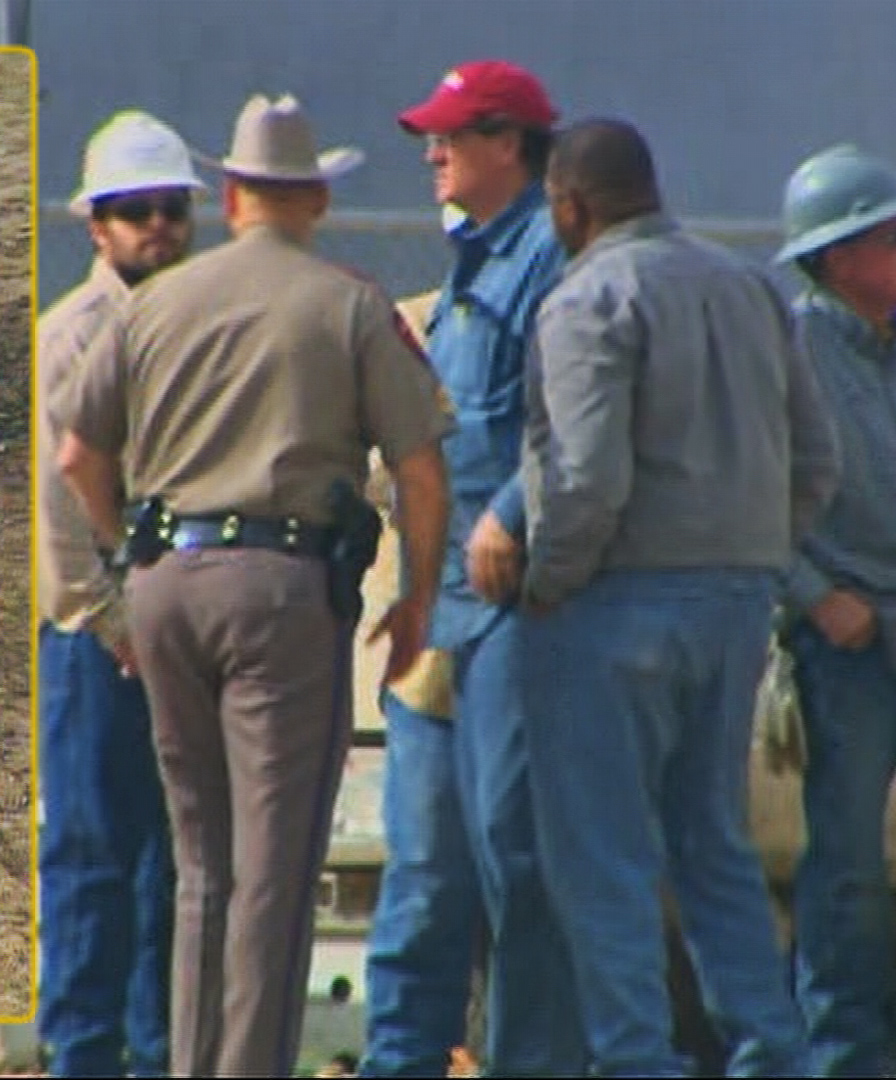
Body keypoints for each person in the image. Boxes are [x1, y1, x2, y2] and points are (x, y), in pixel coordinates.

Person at [54, 92, 453, 1078]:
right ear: (313, 197)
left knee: (198, 870)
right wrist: (418, 603)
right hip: (280, 593)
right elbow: (419, 471)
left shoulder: (151, 303)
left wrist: (130, 550)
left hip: (166, 586)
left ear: (230, 196)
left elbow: (75, 452)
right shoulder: (348, 303)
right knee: (272, 874)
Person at [517, 117, 839, 1077]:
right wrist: (754, 555)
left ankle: (639, 1063)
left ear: (569, 206)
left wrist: (546, 584)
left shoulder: (586, 301)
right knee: (718, 854)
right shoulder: (750, 288)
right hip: (736, 604)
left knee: (606, 864)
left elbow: (583, 481)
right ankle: (772, 1056)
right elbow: (816, 461)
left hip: (614, 604)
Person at [361, 60, 586, 1078]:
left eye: (452, 134)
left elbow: (576, 416)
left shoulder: (554, 256)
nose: (431, 152)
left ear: (511, 144)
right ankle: (400, 1061)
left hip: (515, 608)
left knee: (518, 862)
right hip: (441, 606)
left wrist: (508, 514)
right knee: (422, 869)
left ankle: (529, 1060)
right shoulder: (469, 263)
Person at [36, 108, 206, 1079]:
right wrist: (110, 619)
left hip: (182, 633)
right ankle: (85, 1056)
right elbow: (61, 508)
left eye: (171, 210)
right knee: (96, 860)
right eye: (135, 212)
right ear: (95, 226)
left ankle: (159, 1054)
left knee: (172, 868)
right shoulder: (71, 337)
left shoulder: (196, 327)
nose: (158, 228)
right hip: (100, 646)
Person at [772, 142, 896, 1078]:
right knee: (847, 871)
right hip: (848, 643)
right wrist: (817, 601)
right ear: (839, 256)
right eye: (887, 237)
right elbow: (748, 501)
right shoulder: (791, 353)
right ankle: (841, 1060)